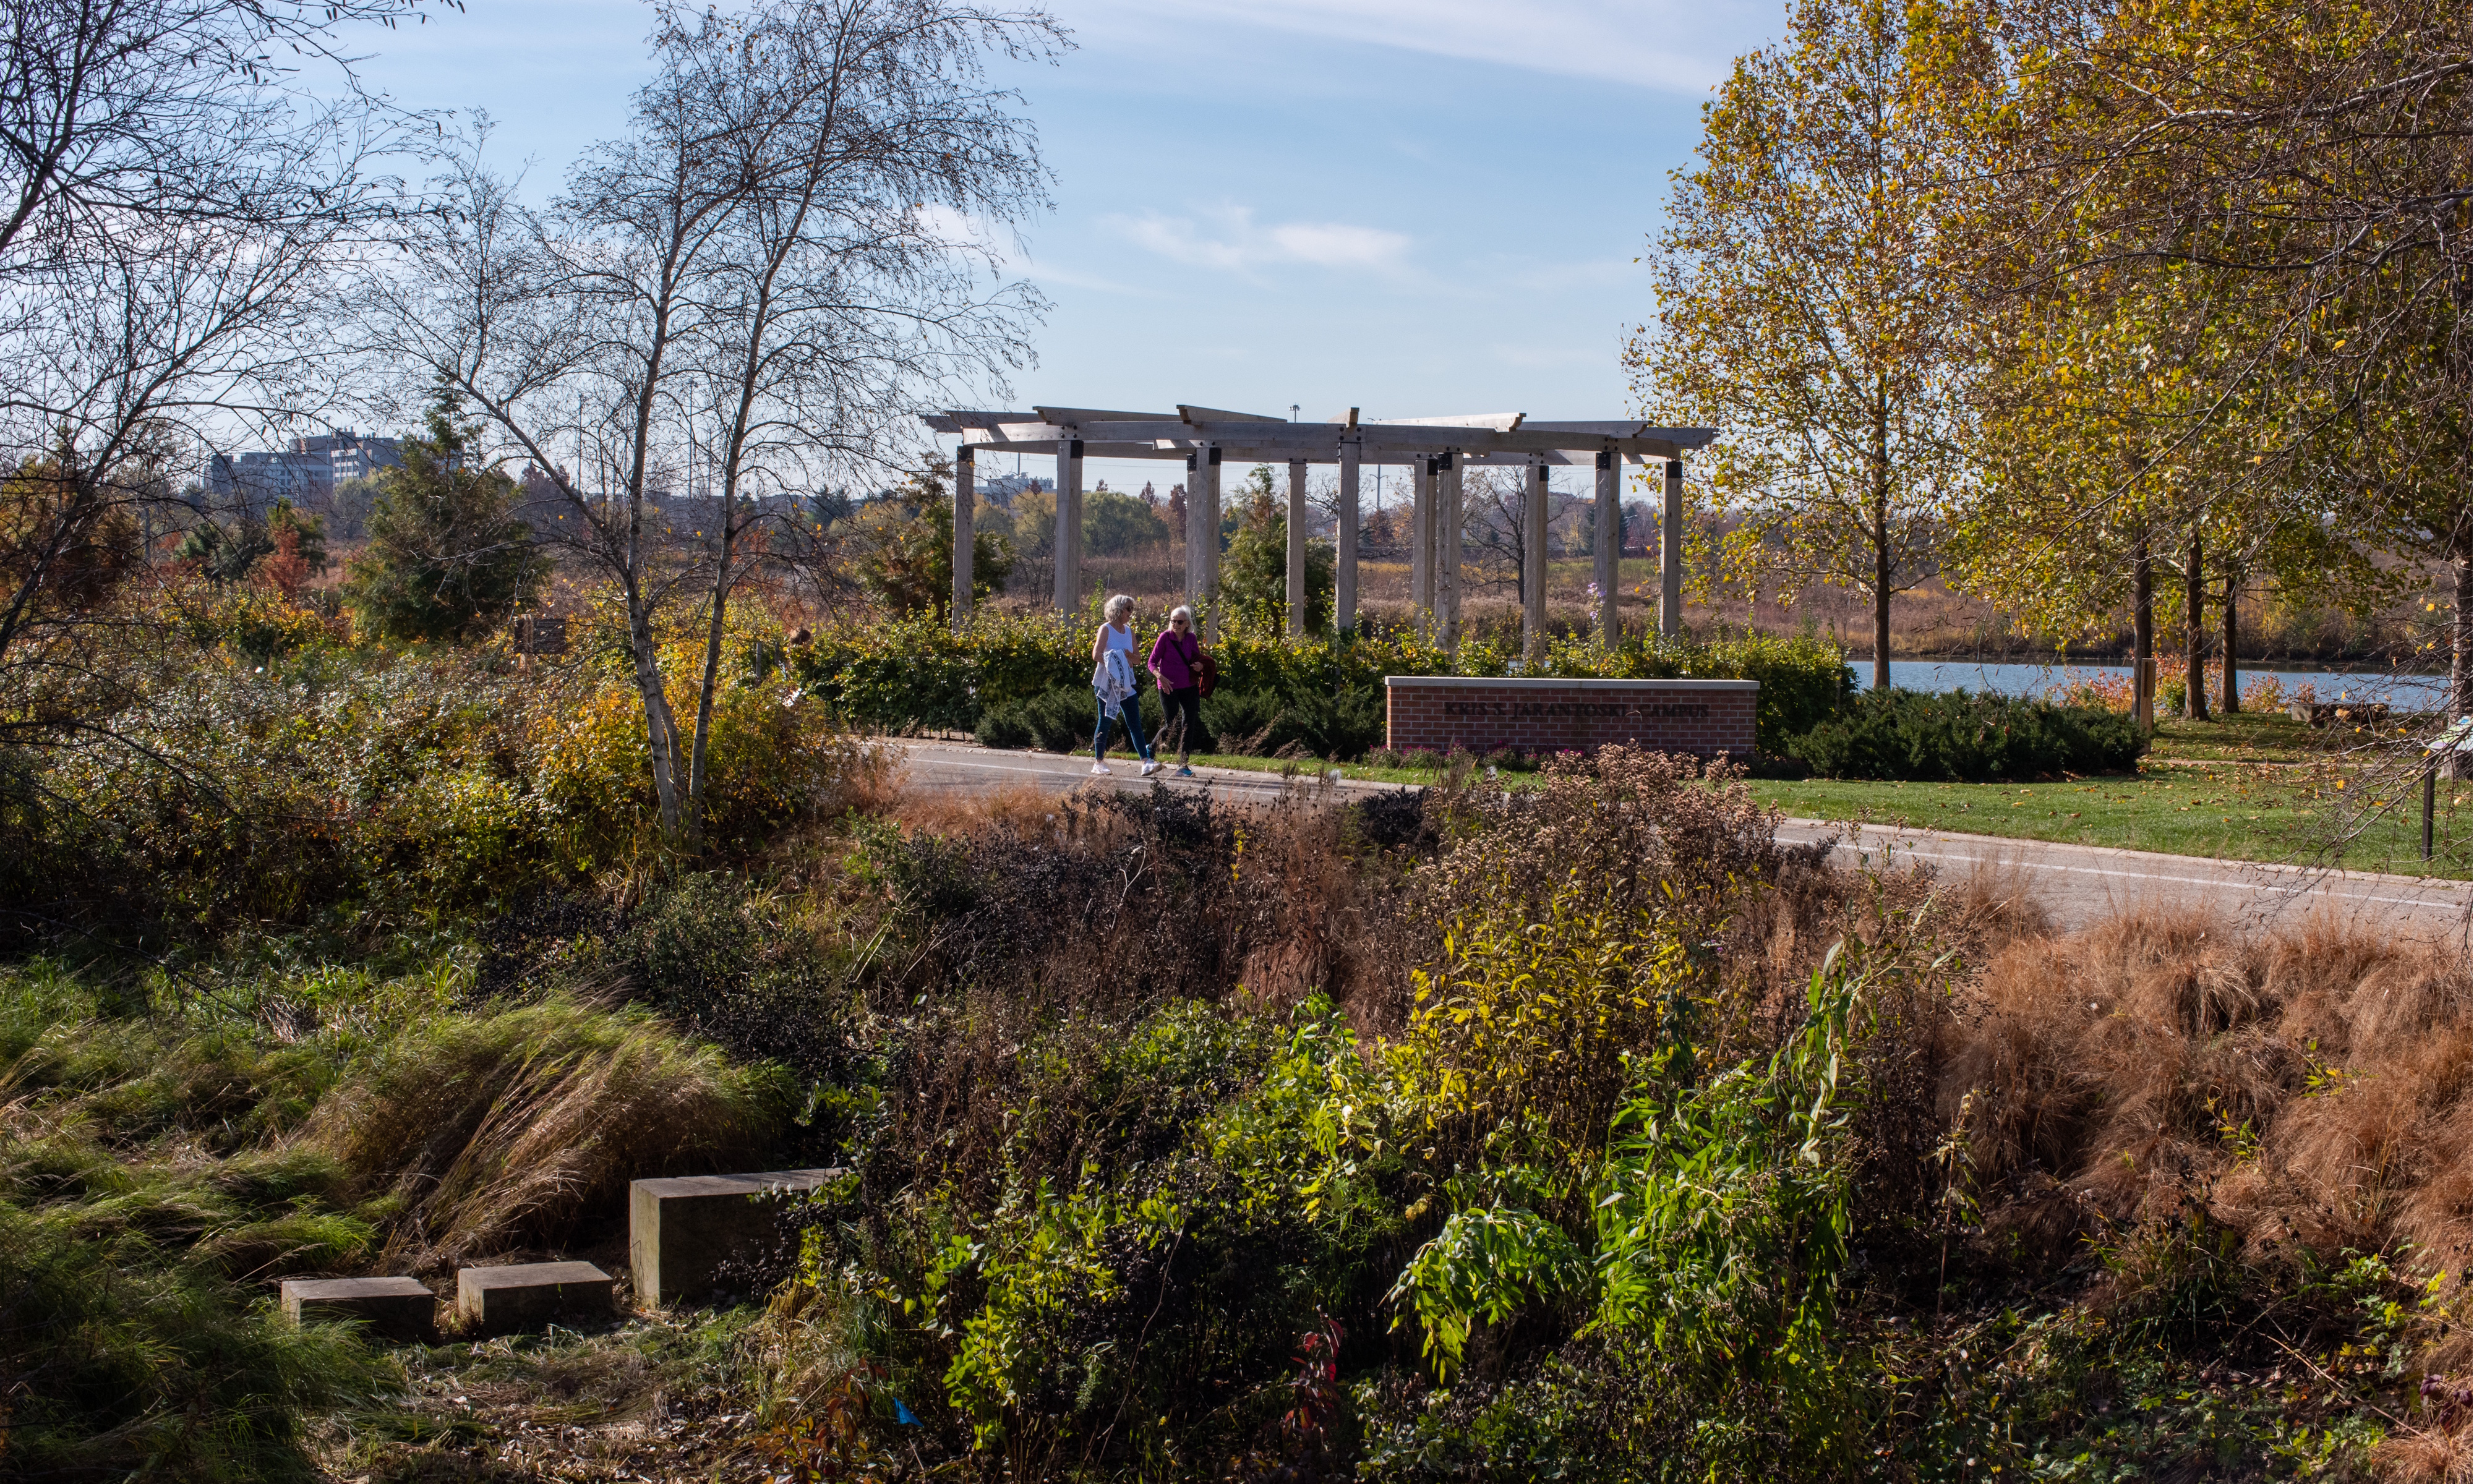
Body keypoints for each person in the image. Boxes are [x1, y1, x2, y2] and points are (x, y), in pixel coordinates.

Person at [1090, 594, 1158, 777]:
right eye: (1128, 609)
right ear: (1118, 610)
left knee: (1134, 722)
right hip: (1107, 683)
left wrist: (1126, 654)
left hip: (1126, 683)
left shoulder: (1129, 631)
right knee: (1105, 720)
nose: (1131, 613)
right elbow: (1096, 655)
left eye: (1132, 609)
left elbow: (1137, 659)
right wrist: (1114, 656)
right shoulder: (1106, 629)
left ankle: (1146, 762)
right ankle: (1099, 761)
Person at [1147, 604, 1205, 777]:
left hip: (1189, 686)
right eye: (1173, 621)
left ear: (1187, 623)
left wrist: (1200, 666)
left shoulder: (1191, 639)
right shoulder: (1165, 638)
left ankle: (1183, 765)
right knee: (1171, 724)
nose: (1176, 625)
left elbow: (1197, 659)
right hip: (1168, 685)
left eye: (1180, 622)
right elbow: (1151, 662)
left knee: (1189, 724)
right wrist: (1160, 676)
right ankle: (1150, 749)